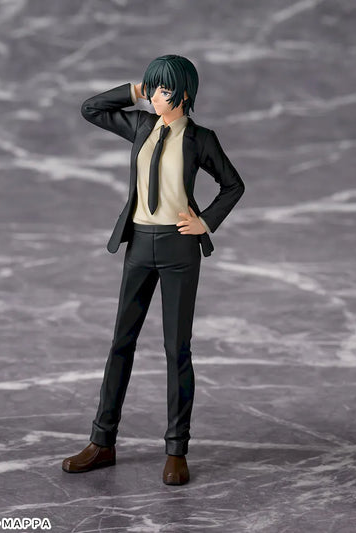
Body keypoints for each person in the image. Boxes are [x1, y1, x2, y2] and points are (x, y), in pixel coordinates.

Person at [62, 54, 245, 485]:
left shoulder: (200, 138)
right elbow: (91, 108)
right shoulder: (142, 126)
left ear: (183, 94)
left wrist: (206, 221)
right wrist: (135, 90)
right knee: (121, 342)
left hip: (179, 246)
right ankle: (102, 441)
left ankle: (176, 449)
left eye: (163, 90)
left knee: (176, 348)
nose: (154, 97)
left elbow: (233, 184)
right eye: (152, 88)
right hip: (140, 243)